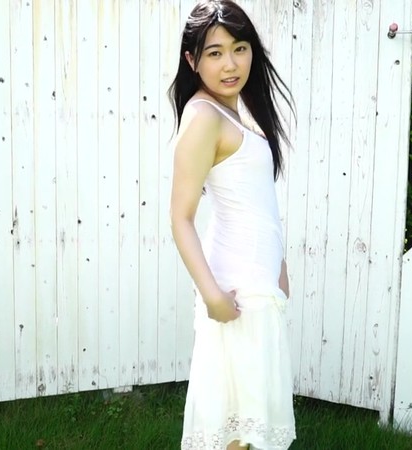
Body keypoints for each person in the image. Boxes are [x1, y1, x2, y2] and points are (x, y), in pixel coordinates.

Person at [168, 1, 296, 449]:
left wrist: (280, 267)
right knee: (237, 428)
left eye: (239, 49)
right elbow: (180, 217)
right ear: (192, 60)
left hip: (258, 285)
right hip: (235, 290)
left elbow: (255, 201)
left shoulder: (231, 112)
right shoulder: (204, 116)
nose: (230, 64)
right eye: (215, 53)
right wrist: (212, 296)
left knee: (246, 424)